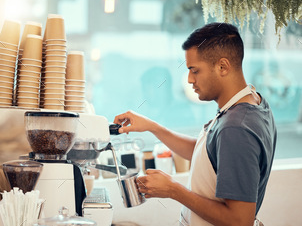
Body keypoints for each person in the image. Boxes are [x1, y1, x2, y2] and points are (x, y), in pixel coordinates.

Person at [114, 23, 277, 226]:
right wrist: (153, 127)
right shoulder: (251, 100)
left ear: (223, 67)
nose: (189, 79)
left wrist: (173, 189)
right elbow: (206, 156)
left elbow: (239, 220)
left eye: (194, 70)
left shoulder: (236, 128)